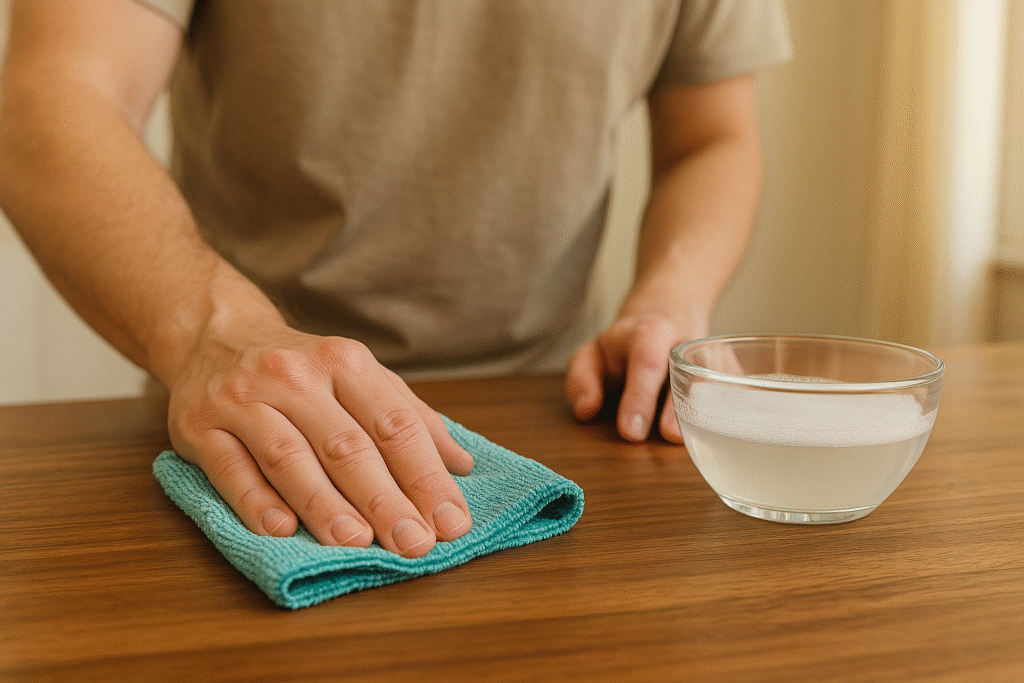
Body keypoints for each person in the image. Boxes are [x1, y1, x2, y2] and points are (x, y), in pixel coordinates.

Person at [0, 0, 791, 557]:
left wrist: (670, 296)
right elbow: (51, 98)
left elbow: (711, 138)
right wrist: (221, 336)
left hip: (564, 420)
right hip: (244, 427)